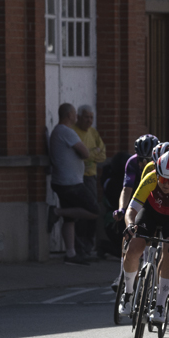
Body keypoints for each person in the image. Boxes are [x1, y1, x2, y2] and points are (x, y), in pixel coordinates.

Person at [117, 151, 169, 325]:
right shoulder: (151, 177)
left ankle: (160, 303)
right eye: (162, 179)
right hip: (151, 213)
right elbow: (132, 209)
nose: (165, 184)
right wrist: (130, 225)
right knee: (133, 249)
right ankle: (128, 293)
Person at [47, 103, 99, 265]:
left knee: (70, 219)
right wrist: (92, 152)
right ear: (69, 115)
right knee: (94, 210)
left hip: (62, 181)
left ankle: (70, 254)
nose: (76, 117)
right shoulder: (67, 132)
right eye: (75, 114)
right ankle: (56, 211)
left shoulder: (57, 131)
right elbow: (84, 153)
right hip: (71, 183)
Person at [72, 104, 106, 259]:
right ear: (78, 117)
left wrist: (89, 154)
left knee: (93, 211)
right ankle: (79, 247)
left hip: (91, 177)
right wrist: (93, 153)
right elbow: (78, 155)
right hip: (78, 177)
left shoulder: (93, 132)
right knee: (81, 211)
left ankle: (88, 246)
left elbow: (103, 154)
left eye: (91, 117)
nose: (89, 120)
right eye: (86, 117)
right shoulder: (73, 132)